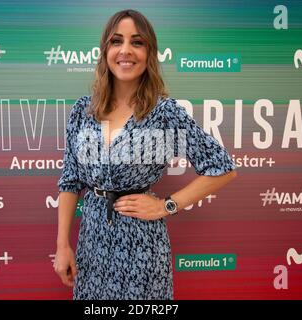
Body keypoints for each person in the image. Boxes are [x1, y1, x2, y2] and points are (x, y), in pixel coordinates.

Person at [54, 9, 237, 300]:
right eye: (117, 41)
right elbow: (70, 180)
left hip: (142, 247)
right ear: (105, 50)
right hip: (92, 244)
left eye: (137, 42)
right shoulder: (83, 111)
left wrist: (167, 206)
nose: (125, 50)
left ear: (149, 53)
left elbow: (222, 167)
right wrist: (63, 244)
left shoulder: (163, 112)